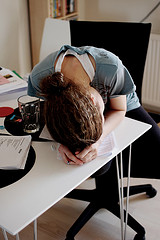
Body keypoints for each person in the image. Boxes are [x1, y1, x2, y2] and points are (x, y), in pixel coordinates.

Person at [28, 45, 160, 179]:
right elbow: (55, 116)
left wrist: (99, 140)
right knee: (99, 167)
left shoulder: (112, 68)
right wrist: (62, 143)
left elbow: (118, 109)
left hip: (121, 102)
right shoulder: (39, 78)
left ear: (92, 100)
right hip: (73, 113)